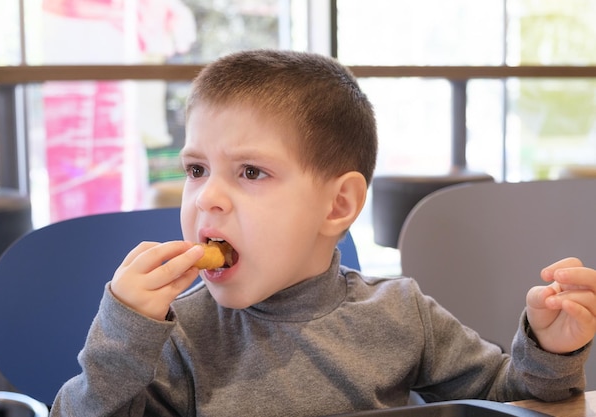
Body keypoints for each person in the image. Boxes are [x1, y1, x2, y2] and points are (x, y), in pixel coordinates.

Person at [49, 50, 596, 417]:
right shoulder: (175, 337)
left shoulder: (401, 314)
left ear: (338, 205)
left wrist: (550, 347)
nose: (207, 197)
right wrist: (122, 338)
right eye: (196, 170)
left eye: (250, 172)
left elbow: (512, 401)